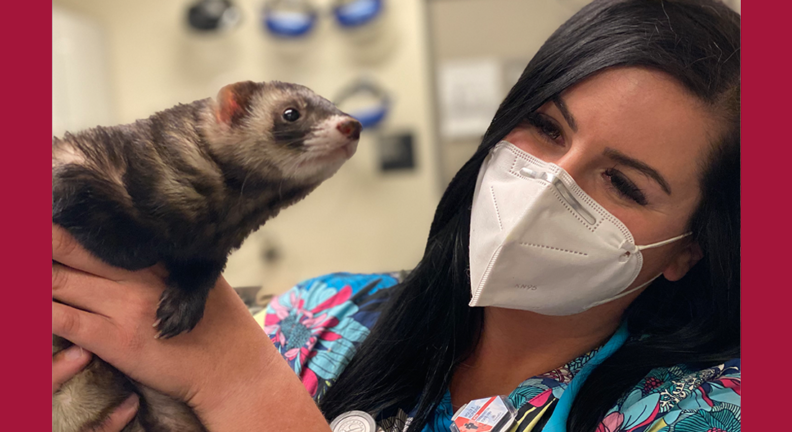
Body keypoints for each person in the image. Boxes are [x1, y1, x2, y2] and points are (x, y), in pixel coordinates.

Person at [51, 0, 741, 431]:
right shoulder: (323, 315)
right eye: (545, 127)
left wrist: (241, 385)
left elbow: (230, 376)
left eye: (622, 182)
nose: (548, 183)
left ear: (693, 247)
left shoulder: (711, 412)